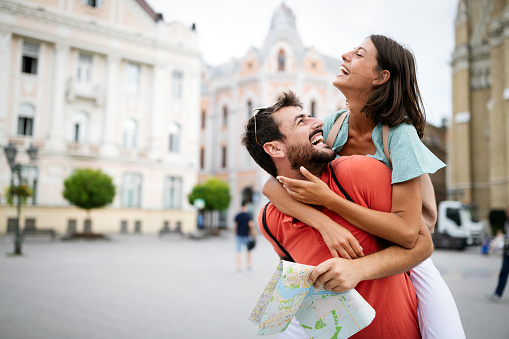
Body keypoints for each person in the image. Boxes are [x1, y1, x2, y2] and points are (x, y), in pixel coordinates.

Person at [263, 35, 465, 338]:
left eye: (358, 54)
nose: (344, 55)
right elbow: (272, 187)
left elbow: (410, 235)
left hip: (404, 251)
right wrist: (324, 224)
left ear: (381, 77)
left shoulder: (399, 136)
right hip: (360, 239)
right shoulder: (334, 127)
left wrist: (330, 202)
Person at [242, 91, 434, 338]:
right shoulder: (269, 221)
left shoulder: (359, 171)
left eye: (310, 116)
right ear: (275, 148)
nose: (318, 122)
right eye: (301, 121)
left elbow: (422, 244)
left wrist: (359, 269)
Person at [485, 207, 509, 302]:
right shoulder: (507, 223)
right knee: (503, 273)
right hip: (507, 253)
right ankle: (498, 294)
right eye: (507, 211)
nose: (507, 213)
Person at [233, 201, 255, 275]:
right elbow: (251, 225)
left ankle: (239, 268)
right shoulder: (248, 215)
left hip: (239, 235)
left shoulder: (238, 215)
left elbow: (235, 225)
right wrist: (253, 232)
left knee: (239, 252)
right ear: (246, 207)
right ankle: (248, 266)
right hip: (246, 235)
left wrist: (235, 232)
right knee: (248, 251)